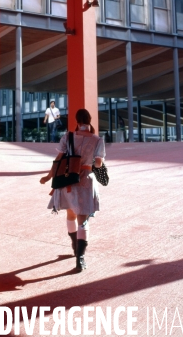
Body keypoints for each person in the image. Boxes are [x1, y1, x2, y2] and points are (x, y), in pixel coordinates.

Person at [39, 108, 105, 272]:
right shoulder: (97, 140)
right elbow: (98, 164)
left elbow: (58, 160)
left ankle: (75, 246)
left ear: (77, 121)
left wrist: (48, 178)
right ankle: (80, 258)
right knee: (83, 220)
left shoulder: (67, 137)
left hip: (68, 180)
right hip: (85, 181)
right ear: (89, 120)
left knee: (71, 215)